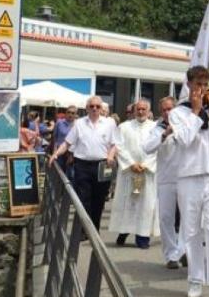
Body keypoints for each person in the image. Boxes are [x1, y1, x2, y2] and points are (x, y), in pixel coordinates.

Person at [159, 66, 209, 297]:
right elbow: (186, 140)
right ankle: (195, 280)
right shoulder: (178, 113)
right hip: (188, 176)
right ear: (189, 85)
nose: (202, 89)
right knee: (191, 230)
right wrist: (197, 112)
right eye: (198, 84)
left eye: (205, 84)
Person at [47, 95, 119, 231]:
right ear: (86, 108)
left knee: (98, 201)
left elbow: (115, 144)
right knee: (83, 199)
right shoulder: (79, 123)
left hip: (102, 165)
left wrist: (110, 155)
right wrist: (56, 154)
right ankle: (84, 230)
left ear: (101, 108)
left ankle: (94, 229)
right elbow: (67, 143)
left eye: (97, 106)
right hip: (82, 166)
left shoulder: (109, 124)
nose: (94, 109)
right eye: (91, 106)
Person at [143, 96, 185, 269]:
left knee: (187, 219)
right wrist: (164, 134)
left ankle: (183, 251)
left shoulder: (185, 125)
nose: (167, 113)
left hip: (185, 177)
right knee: (166, 217)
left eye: (170, 109)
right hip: (166, 178)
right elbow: (147, 147)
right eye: (164, 110)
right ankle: (170, 255)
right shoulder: (157, 128)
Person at [112, 99, 159, 248]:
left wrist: (145, 165)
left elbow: (158, 148)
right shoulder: (123, 127)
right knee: (127, 203)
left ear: (149, 111)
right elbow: (119, 147)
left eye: (143, 109)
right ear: (133, 111)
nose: (140, 112)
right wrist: (131, 163)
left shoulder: (156, 127)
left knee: (146, 205)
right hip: (129, 172)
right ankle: (123, 232)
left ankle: (142, 237)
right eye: (138, 109)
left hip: (147, 172)